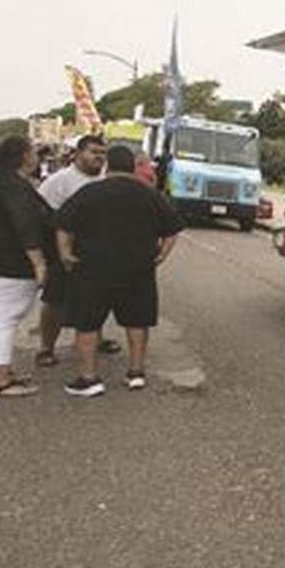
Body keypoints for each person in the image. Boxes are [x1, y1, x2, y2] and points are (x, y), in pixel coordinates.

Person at [56, 145, 182, 396]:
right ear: (133, 167)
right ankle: (136, 372)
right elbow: (173, 229)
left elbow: (63, 225)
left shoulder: (89, 192)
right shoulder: (150, 195)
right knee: (137, 321)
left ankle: (89, 378)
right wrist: (161, 256)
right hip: (138, 270)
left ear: (107, 166)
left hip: (92, 269)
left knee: (88, 324)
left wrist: (65, 254)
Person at [0, 135, 48, 396]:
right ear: (24, 156)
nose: (37, 157)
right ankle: (1, 380)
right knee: (6, 318)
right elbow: (25, 226)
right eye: (34, 152)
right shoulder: (14, 186)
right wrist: (38, 263)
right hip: (10, 262)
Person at [34, 134, 118, 365]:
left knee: (98, 299)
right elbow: (41, 215)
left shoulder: (107, 180)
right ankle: (46, 348)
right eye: (94, 152)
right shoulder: (59, 181)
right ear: (78, 153)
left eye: (103, 154)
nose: (99, 158)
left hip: (99, 252)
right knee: (55, 301)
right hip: (63, 252)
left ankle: (97, 339)